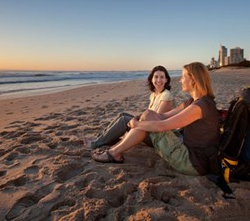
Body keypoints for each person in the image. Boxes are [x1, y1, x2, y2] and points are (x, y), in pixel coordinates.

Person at [92, 62, 220, 176]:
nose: (180, 80)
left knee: (147, 120)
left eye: (183, 77)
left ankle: (114, 153)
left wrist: (136, 124)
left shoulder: (200, 106)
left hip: (193, 162)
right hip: (186, 146)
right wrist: (141, 118)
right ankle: (114, 150)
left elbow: (162, 126)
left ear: (193, 80)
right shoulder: (192, 101)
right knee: (148, 114)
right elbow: (163, 116)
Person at [84, 65, 174, 150]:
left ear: (166, 80)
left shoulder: (166, 95)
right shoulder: (154, 94)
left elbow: (158, 123)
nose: (159, 80)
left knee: (124, 120)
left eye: (162, 77)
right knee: (122, 114)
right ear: (151, 79)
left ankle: (95, 144)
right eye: (156, 77)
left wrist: (137, 123)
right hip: (148, 129)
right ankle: (102, 138)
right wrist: (137, 119)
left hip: (157, 138)